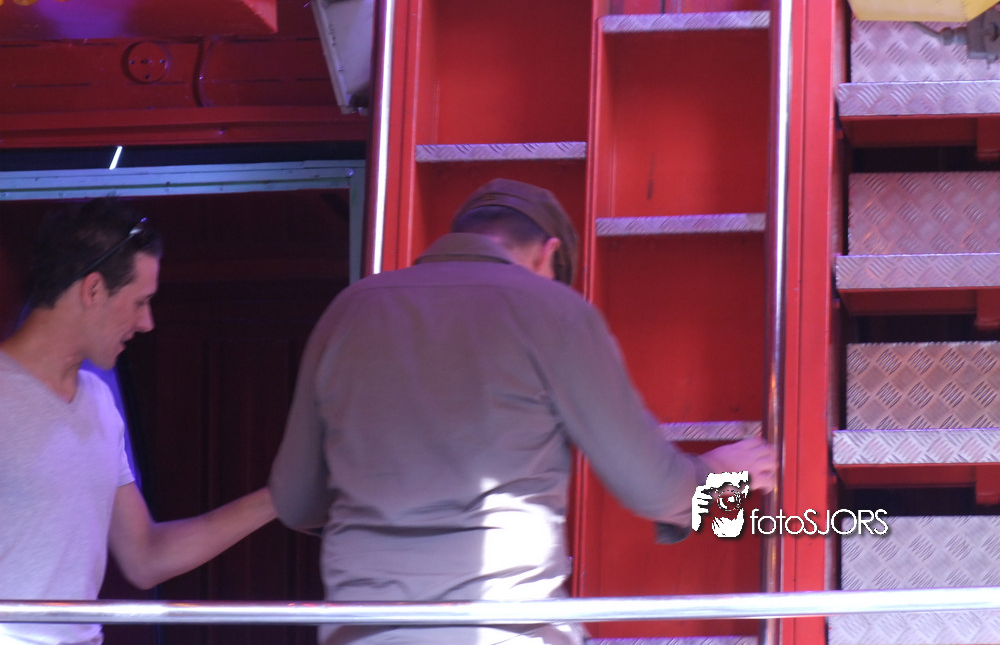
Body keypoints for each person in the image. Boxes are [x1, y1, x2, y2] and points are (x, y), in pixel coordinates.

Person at [269, 178, 777, 645]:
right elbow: (652, 489)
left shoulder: (349, 310)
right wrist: (721, 475)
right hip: (504, 625)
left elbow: (295, 502)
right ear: (548, 253)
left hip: (362, 629)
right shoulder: (552, 309)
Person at [0, 197, 277, 645]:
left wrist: (281, 498)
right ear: (93, 290)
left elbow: (145, 556)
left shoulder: (98, 401)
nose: (147, 322)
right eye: (139, 302)